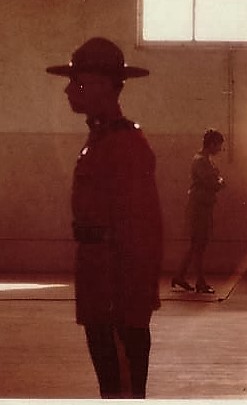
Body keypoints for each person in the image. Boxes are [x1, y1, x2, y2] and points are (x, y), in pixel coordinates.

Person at [46, 37, 163, 399]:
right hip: (100, 285)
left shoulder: (124, 143)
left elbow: (142, 230)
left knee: (123, 391)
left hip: (116, 292)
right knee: (110, 387)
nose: (68, 90)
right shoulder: (100, 138)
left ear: (103, 86)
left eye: (77, 82)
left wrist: (131, 304)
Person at [172, 128, 225, 294]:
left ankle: (180, 275)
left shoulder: (204, 160)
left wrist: (218, 181)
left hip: (202, 206)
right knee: (199, 244)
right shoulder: (201, 161)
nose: (220, 149)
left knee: (196, 244)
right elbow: (213, 182)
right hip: (200, 208)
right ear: (212, 144)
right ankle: (199, 282)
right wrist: (219, 181)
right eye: (218, 145)